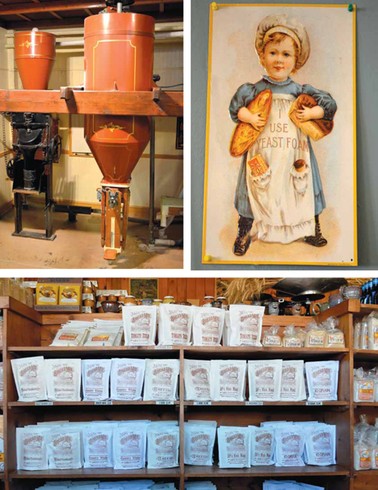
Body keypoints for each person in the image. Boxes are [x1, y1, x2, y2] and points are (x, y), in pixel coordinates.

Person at [229, 14, 337, 256]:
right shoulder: (254, 89)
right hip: (263, 149)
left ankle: (311, 228)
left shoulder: (300, 90)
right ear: (262, 55)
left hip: (293, 149)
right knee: (253, 187)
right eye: (273, 53)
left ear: (296, 60)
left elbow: (329, 105)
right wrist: (248, 117)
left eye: (286, 54)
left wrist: (312, 113)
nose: (279, 60)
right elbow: (236, 109)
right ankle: (245, 230)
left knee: (304, 184)